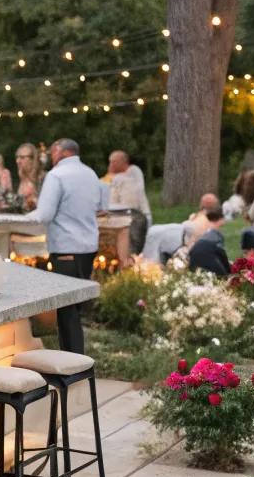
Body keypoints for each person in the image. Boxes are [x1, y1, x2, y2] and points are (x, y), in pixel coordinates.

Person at [35, 138, 102, 354]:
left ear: (60, 152)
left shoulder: (56, 176)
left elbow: (44, 214)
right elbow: (100, 207)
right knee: (76, 309)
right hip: (89, 247)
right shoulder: (91, 174)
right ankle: (76, 360)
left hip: (65, 247)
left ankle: (72, 363)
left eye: (52, 152)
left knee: (66, 310)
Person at [141, 192, 220, 266]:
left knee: (155, 265)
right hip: (169, 236)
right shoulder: (204, 220)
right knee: (151, 266)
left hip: (170, 235)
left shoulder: (197, 217)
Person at [105, 149, 152, 256]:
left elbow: (129, 206)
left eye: (113, 162)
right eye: (110, 162)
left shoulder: (129, 177)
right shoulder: (117, 178)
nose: (110, 165)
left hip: (134, 221)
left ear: (123, 162)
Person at [188, 201, 231, 277]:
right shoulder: (216, 234)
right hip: (206, 256)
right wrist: (228, 271)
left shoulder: (206, 230)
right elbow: (221, 254)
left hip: (193, 256)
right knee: (222, 277)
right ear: (220, 219)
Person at [13, 143, 45, 210]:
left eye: (22, 157)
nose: (17, 161)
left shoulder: (42, 178)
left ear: (33, 159)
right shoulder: (22, 177)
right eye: (17, 157)